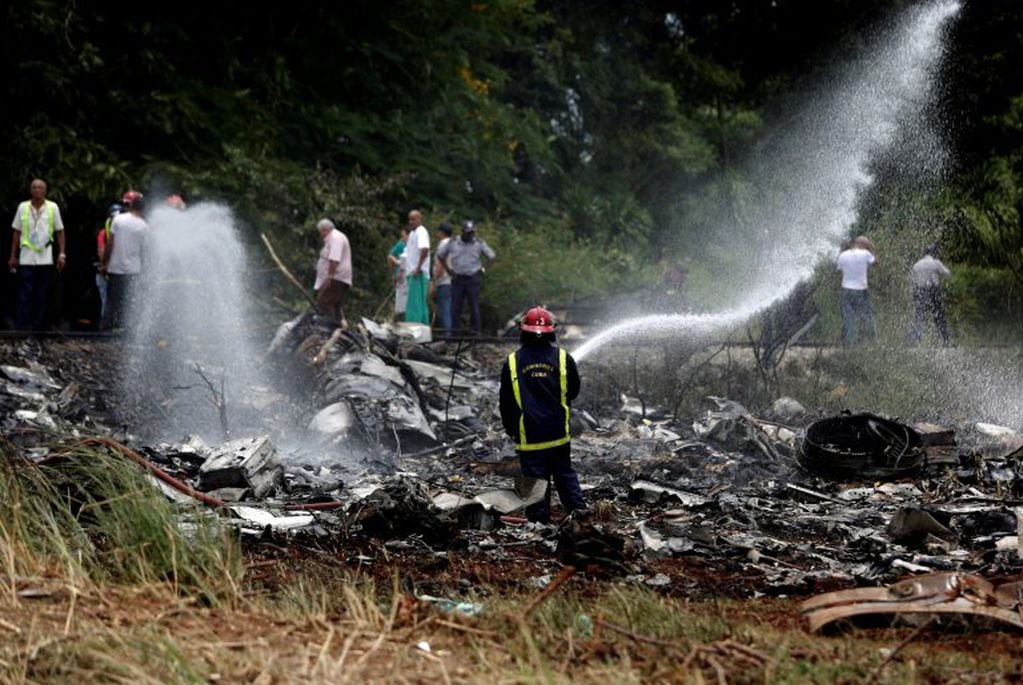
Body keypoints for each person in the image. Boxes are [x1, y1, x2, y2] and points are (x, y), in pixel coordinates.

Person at [499, 307, 585, 524]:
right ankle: (580, 516)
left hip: (529, 436)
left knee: (535, 482)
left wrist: (511, 430)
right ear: (551, 332)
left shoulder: (512, 362)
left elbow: (506, 403)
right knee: (565, 475)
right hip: (558, 434)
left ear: (523, 331)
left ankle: (540, 525)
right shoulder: (564, 359)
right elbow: (573, 391)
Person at [8, 178, 66, 330]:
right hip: (26, 257)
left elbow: (60, 232)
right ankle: (22, 325)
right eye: (34, 187)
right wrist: (13, 255)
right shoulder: (23, 207)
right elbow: (16, 232)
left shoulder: (52, 207)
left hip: (45, 257)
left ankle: (39, 325)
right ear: (30, 190)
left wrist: (61, 254)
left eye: (40, 188)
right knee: (24, 293)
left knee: (42, 293)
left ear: (46, 191)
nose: (37, 190)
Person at [437, 220, 496, 335]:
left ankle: (475, 333)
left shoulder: (478, 243)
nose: (470, 235)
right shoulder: (453, 242)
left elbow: (492, 256)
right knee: (455, 308)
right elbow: (441, 255)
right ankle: (455, 334)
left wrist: (483, 270)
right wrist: (448, 270)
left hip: (472, 278)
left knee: (474, 307)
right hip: (457, 278)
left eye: (472, 232)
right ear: (462, 232)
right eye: (468, 233)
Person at [101, 190, 147, 330]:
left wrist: (105, 262)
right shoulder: (144, 226)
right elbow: (145, 251)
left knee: (113, 300)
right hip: (134, 269)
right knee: (130, 301)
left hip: (116, 267)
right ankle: (127, 328)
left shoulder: (118, 220)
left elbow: (110, 243)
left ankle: (108, 327)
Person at [836, 235, 878, 345]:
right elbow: (876, 262)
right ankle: (871, 342)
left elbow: (840, 272)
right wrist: (872, 248)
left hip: (846, 289)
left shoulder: (842, 255)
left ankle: (847, 344)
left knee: (848, 318)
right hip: (861, 289)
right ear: (864, 245)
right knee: (866, 316)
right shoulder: (865, 254)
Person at [313, 218, 352, 327]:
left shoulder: (335, 238)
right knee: (335, 305)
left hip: (337, 278)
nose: (320, 235)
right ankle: (341, 328)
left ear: (324, 230)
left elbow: (334, 259)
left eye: (320, 232)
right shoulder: (334, 238)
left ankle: (330, 329)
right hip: (336, 277)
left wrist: (329, 277)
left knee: (323, 302)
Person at [909, 243, 951, 345]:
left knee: (919, 316)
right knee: (939, 316)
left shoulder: (916, 265)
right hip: (933, 292)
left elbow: (913, 280)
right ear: (934, 253)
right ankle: (946, 339)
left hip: (920, 291)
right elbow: (947, 273)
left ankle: (916, 340)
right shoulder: (935, 263)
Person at [95, 202, 122, 321]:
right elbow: (101, 249)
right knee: (105, 297)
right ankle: (106, 322)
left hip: (120, 269)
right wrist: (104, 265)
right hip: (107, 269)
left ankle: (117, 322)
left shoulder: (126, 231)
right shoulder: (103, 233)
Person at [404, 210, 430, 325]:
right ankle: (424, 327)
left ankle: (413, 328)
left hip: (417, 273)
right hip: (413, 272)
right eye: (410, 219)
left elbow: (424, 249)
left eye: (413, 219)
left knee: (415, 304)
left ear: (420, 219)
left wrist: (418, 268)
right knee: (420, 303)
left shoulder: (421, 231)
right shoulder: (412, 233)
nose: (411, 222)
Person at [431, 222, 454, 335]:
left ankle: (447, 335)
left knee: (444, 309)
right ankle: (450, 333)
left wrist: (434, 281)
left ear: (441, 232)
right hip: (452, 280)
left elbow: (440, 265)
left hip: (443, 281)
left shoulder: (443, 245)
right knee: (449, 309)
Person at [387, 226, 409, 320]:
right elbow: (390, 256)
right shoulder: (401, 244)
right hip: (400, 275)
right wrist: (396, 263)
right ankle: (397, 317)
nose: (402, 238)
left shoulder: (413, 245)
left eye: (404, 236)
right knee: (399, 299)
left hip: (409, 275)